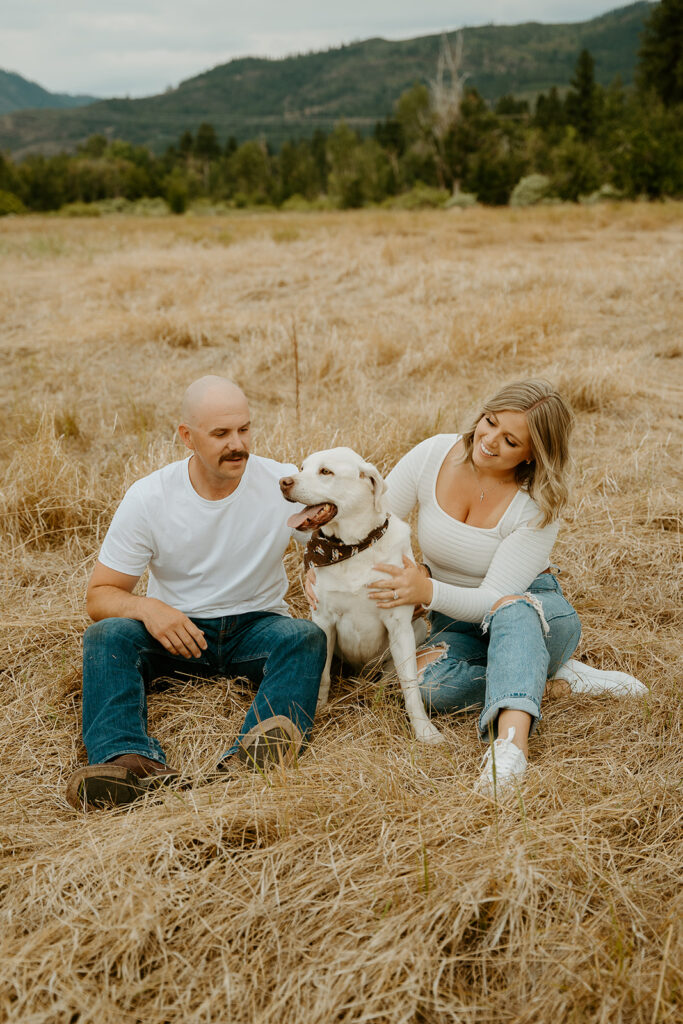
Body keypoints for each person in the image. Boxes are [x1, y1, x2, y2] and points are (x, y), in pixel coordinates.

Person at [365, 379, 647, 794]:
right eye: (490, 422)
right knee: (421, 684)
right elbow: (375, 519)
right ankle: (549, 678)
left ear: (533, 454)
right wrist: (319, 562)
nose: (490, 440)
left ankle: (510, 750)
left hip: (532, 609)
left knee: (510, 608)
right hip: (453, 619)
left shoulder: (537, 504)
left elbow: (493, 599)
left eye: (510, 440)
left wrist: (426, 591)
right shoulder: (434, 453)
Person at [66, 375, 326, 810]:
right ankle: (129, 763)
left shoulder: (282, 482)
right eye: (221, 434)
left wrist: (316, 563)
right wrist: (148, 608)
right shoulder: (149, 497)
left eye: (244, 429)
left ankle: (252, 760)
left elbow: (333, 535)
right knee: (106, 637)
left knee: (304, 638)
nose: (237, 444)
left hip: (258, 626)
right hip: (177, 631)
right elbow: (100, 595)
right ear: (186, 436)